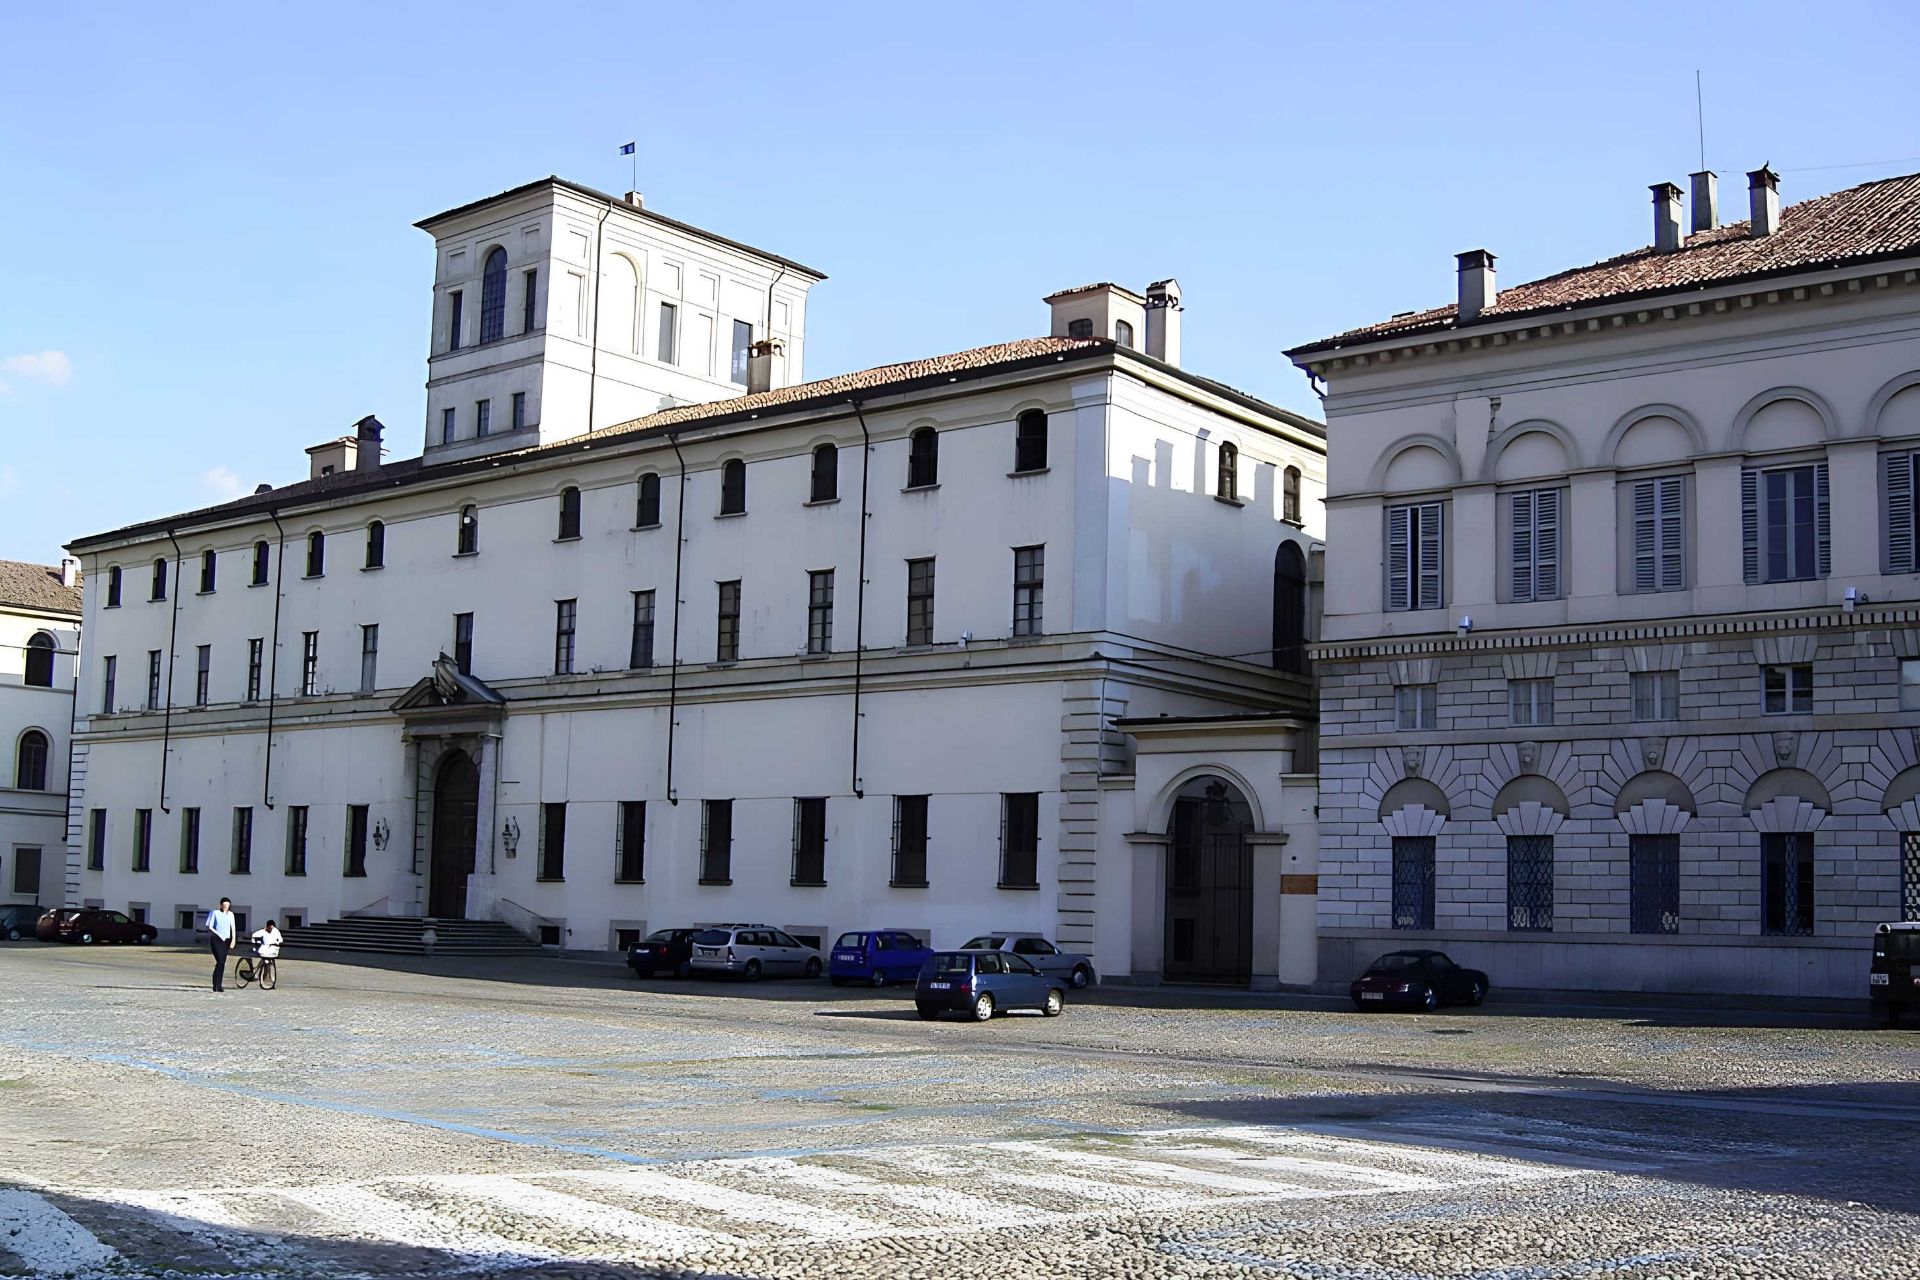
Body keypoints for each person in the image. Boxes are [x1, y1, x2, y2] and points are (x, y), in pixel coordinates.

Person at [206, 897, 235, 992]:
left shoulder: (230, 914)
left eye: (228, 905)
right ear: (221, 905)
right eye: (225, 905)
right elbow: (210, 926)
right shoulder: (215, 913)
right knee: (220, 961)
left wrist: (233, 939)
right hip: (216, 940)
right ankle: (216, 984)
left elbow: (233, 927)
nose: (226, 907)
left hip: (226, 940)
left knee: (222, 963)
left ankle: (218, 984)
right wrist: (219, 935)